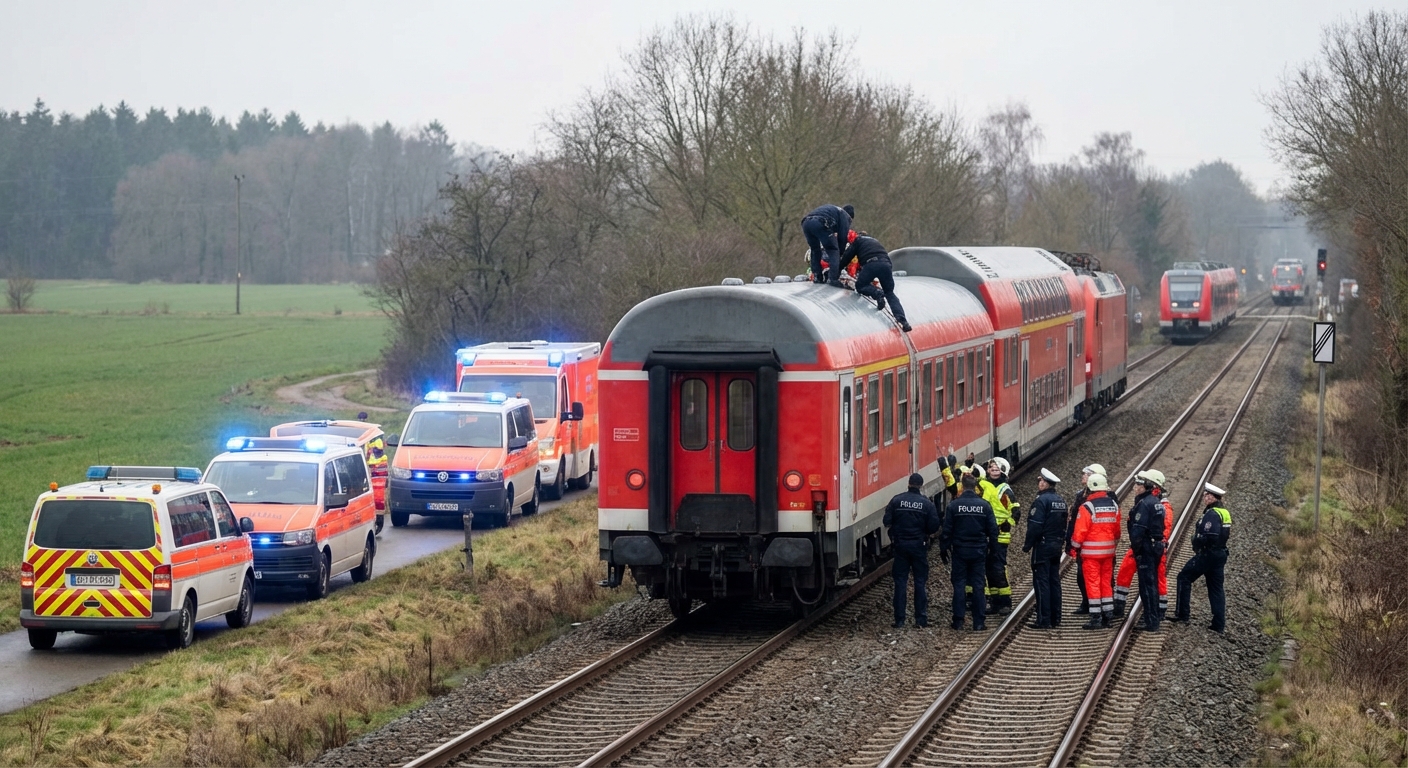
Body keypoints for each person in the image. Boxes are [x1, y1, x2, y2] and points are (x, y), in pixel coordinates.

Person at [1172, 482, 1232, 632]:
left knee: (1183, 577)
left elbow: (1209, 535)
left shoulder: (1212, 514)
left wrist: (1196, 541)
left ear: (1212, 497)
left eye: (1206, 495)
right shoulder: (1224, 512)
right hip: (1220, 554)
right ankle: (1218, 625)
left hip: (1208, 554)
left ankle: (1182, 614)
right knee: (1216, 588)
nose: (1204, 498)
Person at [941, 473, 998, 631]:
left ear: (962, 485)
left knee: (959, 584)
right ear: (975, 487)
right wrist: (993, 550)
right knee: (978, 585)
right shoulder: (984, 506)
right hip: (979, 551)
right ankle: (979, 622)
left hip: (960, 551)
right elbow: (993, 530)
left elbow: (946, 530)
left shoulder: (954, 506)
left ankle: (958, 621)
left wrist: (944, 549)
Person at [885, 473, 942, 627]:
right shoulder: (927, 504)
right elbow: (934, 526)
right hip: (919, 547)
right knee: (920, 582)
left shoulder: (896, 500)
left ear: (909, 484)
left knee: (900, 582)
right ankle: (920, 619)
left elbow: (887, 521)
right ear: (921, 485)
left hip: (901, 546)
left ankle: (899, 620)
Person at [1114, 470, 1172, 619]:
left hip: (1150, 547)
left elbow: (1163, 529)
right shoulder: (1147, 502)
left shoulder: (1157, 505)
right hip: (1143, 546)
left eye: (1141, 483)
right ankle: (1119, 606)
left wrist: (1155, 546)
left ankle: (1157, 612)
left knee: (1154, 580)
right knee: (1126, 573)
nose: (1136, 486)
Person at [1070, 472, 1120, 629]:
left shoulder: (1087, 507)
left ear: (1090, 489)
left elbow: (1079, 533)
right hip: (1108, 552)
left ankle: (1096, 618)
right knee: (1106, 583)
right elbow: (1117, 531)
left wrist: (1074, 548)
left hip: (1091, 554)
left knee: (1093, 584)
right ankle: (1108, 615)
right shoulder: (1114, 505)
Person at [836, 230, 912, 332]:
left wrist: (837, 270)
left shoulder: (857, 241)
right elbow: (885, 256)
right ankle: (903, 322)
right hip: (886, 265)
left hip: (870, 265)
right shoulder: (875, 241)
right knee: (890, 293)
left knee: (860, 286)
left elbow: (847, 257)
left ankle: (877, 294)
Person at [1023, 468, 1067, 629]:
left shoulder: (1041, 501)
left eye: (1041, 480)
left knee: (1042, 582)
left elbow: (1035, 526)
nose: (1039, 483)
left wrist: (1027, 545)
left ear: (1045, 483)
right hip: (1056, 546)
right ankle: (1056, 617)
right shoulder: (1061, 501)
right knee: (1054, 580)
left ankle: (1044, 619)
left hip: (1043, 546)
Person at [977, 457, 1020, 613]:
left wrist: (1007, 524)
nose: (993, 470)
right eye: (991, 468)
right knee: (988, 567)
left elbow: (1016, 511)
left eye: (996, 468)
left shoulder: (1005, 489)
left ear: (1003, 471)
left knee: (998, 568)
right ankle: (994, 601)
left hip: (1001, 535)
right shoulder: (984, 486)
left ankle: (1005, 601)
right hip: (986, 534)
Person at [1068, 463, 1105, 616]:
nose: (1083, 476)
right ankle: (1086, 603)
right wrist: (1070, 543)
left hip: (1093, 544)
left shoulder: (1106, 497)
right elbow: (1074, 521)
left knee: (1096, 578)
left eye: (1087, 474)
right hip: (1084, 544)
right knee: (1081, 576)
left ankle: (1098, 606)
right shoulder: (1080, 495)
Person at [800, 204, 854, 285]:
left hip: (806, 223)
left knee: (815, 250)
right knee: (833, 250)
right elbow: (842, 238)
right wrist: (841, 254)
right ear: (850, 217)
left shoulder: (835, 211)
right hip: (820, 222)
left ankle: (817, 276)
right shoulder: (845, 216)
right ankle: (833, 279)